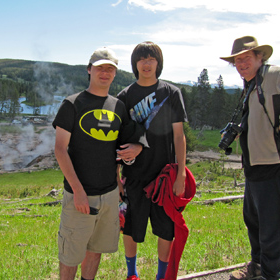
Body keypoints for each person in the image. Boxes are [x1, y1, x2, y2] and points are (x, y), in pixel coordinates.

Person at [53, 47, 148, 280]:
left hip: (109, 194)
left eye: (110, 69)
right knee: (70, 256)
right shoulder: (72, 104)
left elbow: (119, 145)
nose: (105, 73)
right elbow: (60, 149)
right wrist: (77, 191)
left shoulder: (118, 106)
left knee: (95, 251)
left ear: (115, 74)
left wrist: (135, 151)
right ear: (89, 70)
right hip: (80, 195)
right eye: (100, 68)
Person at [116, 41, 188, 280]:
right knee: (130, 227)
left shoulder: (171, 93)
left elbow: (179, 136)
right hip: (133, 176)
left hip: (164, 178)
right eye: (141, 59)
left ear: (159, 63)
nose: (146, 64)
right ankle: (131, 274)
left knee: (166, 230)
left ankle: (161, 276)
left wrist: (181, 175)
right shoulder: (124, 97)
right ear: (135, 64)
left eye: (151, 59)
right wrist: (116, 177)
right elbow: (116, 140)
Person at [220, 36, 280, 280]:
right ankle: (256, 266)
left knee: (271, 228)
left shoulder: (275, 75)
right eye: (237, 60)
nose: (241, 63)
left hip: (274, 164)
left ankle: (269, 275)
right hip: (254, 167)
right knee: (254, 222)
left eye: (246, 57)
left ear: (260, 57)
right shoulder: (252, 83)